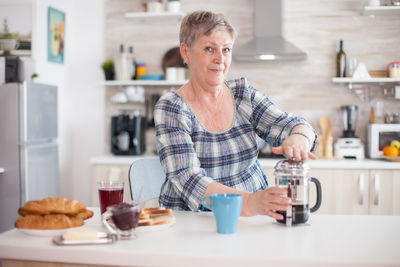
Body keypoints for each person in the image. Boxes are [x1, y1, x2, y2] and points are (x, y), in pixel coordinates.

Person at [154, 11, 317, 219]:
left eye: (226, 49)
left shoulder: (243, 95)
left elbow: (294, 124)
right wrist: (249, 202)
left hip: (252, 219)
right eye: (209, 49)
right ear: (186, 53)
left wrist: (299, 138)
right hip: (195, 221)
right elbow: (190, 180)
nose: (220, 59)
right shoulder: (172, 108)